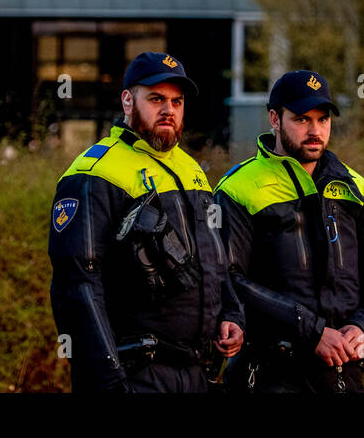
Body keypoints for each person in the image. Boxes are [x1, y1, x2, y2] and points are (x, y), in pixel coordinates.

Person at [47, 52, 245, 392]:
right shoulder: (94, 173)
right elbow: (77, 287)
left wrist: (232, 315)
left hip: (197, 373)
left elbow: (216, 261)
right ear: (127, 100)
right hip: (134, 375)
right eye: (156, 99)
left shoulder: (191, 170)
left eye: (177, 101)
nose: (168, 110)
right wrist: (108, 380)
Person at [214, 70, 364, 393]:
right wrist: (311, 331)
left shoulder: (353, 186)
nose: (315, 131)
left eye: (323, 119)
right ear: (275, 118)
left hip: (342, 374)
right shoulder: (237, 188)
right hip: (269, 373)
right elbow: (229, 278)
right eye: (301, 119)